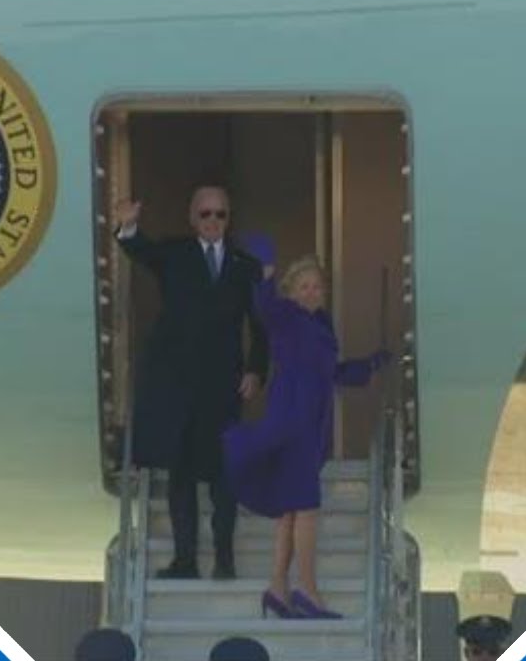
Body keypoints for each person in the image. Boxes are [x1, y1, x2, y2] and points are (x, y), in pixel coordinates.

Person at [222, 241, 388, 619]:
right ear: (292, 291)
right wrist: (265, 272)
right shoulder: (286, 315)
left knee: (291, 512)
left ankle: (278, 588)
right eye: (304, 286)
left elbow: (332, 372)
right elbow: (264, 305)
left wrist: (370, 365)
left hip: (311, 425)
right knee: (307, 509)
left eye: (317, 286)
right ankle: (308, 591)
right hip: (292, 423)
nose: (312, 292)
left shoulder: (320, 324)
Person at [115, 185, 269, 580]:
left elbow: (260, 325)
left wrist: (256, 370)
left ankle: (224, 558)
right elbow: (141, 251)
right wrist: (129, 226)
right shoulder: (176, 254)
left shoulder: (246, 266)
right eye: (206, 214)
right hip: (179, 384)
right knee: (181, 475)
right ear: (192, 217)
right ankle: (185, 559)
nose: (213, 221)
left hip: (224, 385)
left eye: (220, 214)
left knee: (224, 476)